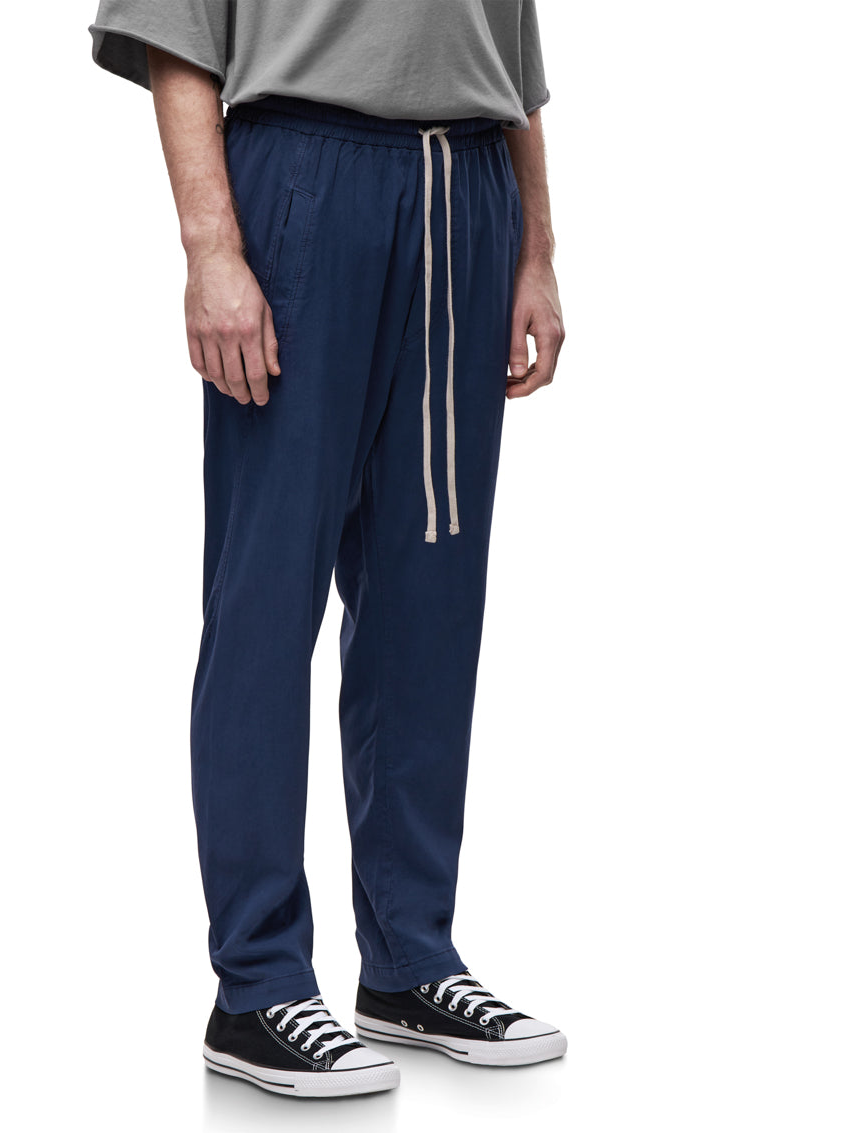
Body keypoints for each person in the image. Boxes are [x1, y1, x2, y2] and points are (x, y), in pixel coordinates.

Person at [88, 0, 566, 1098]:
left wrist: (536, 249)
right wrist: (212, 246)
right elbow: (176, 29)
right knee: (266, 596)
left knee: (427, 602)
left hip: (469, 187)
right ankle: (257, 984)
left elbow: (514, 55)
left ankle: (409, 959)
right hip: (303, 173)